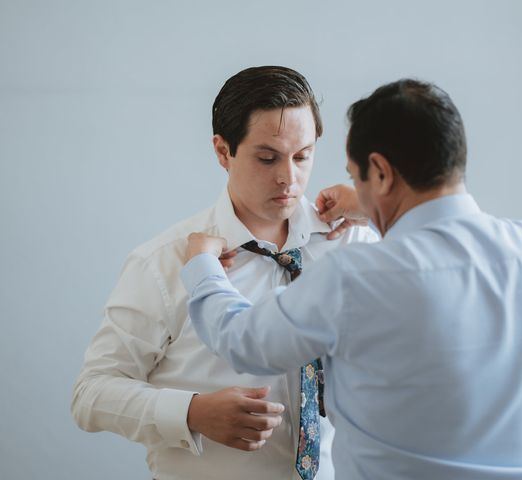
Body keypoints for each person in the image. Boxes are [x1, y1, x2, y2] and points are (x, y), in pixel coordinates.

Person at [180, 79, 522, 479]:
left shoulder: (355, 277)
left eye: (356, 177)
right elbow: (452, 254)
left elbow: (241, 341)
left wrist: (201, 265)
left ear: (382, 173)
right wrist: (376, 208)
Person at [71, 65, 377, 480]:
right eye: (267, 158)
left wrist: (380, 209)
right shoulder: (163, 262)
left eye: (302, 156)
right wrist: (191, 412)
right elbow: (91, 394)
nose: (289, 178)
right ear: (223, 151)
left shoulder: (355, 244)